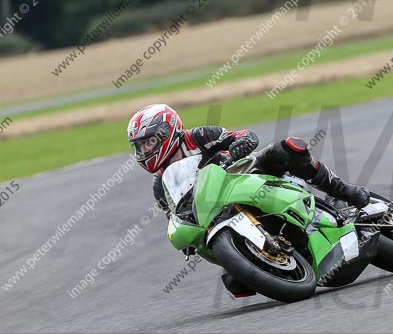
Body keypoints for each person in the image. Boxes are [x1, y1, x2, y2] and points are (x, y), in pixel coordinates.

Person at [127, 103, 370, 297]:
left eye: (149, 142)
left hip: (247, 174)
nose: (145, 151)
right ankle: (273, 257)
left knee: (284, 149)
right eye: (140, 147)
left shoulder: (198, 137)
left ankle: (343, 191)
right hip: (218, 213)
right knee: (234, 282)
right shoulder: (160, 185)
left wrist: (238, 146)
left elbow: (243, 136)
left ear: (167, 132)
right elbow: (174, 215)